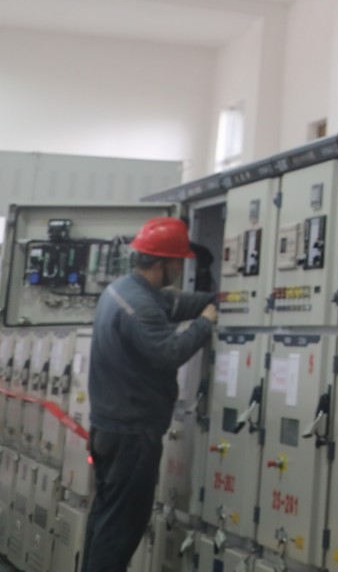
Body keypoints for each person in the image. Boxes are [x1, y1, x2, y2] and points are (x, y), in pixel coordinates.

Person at [82, 217, 217, 572]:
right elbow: (170, 352)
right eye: (178, 262)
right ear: (162, 263)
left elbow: (172, 305)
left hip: (109, 429)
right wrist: (205, 322)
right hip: (132, 434)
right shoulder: (139, 305)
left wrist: (219, 300)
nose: (181, 268)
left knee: (105, 518)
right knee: (122, 528)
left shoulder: (123, 291)